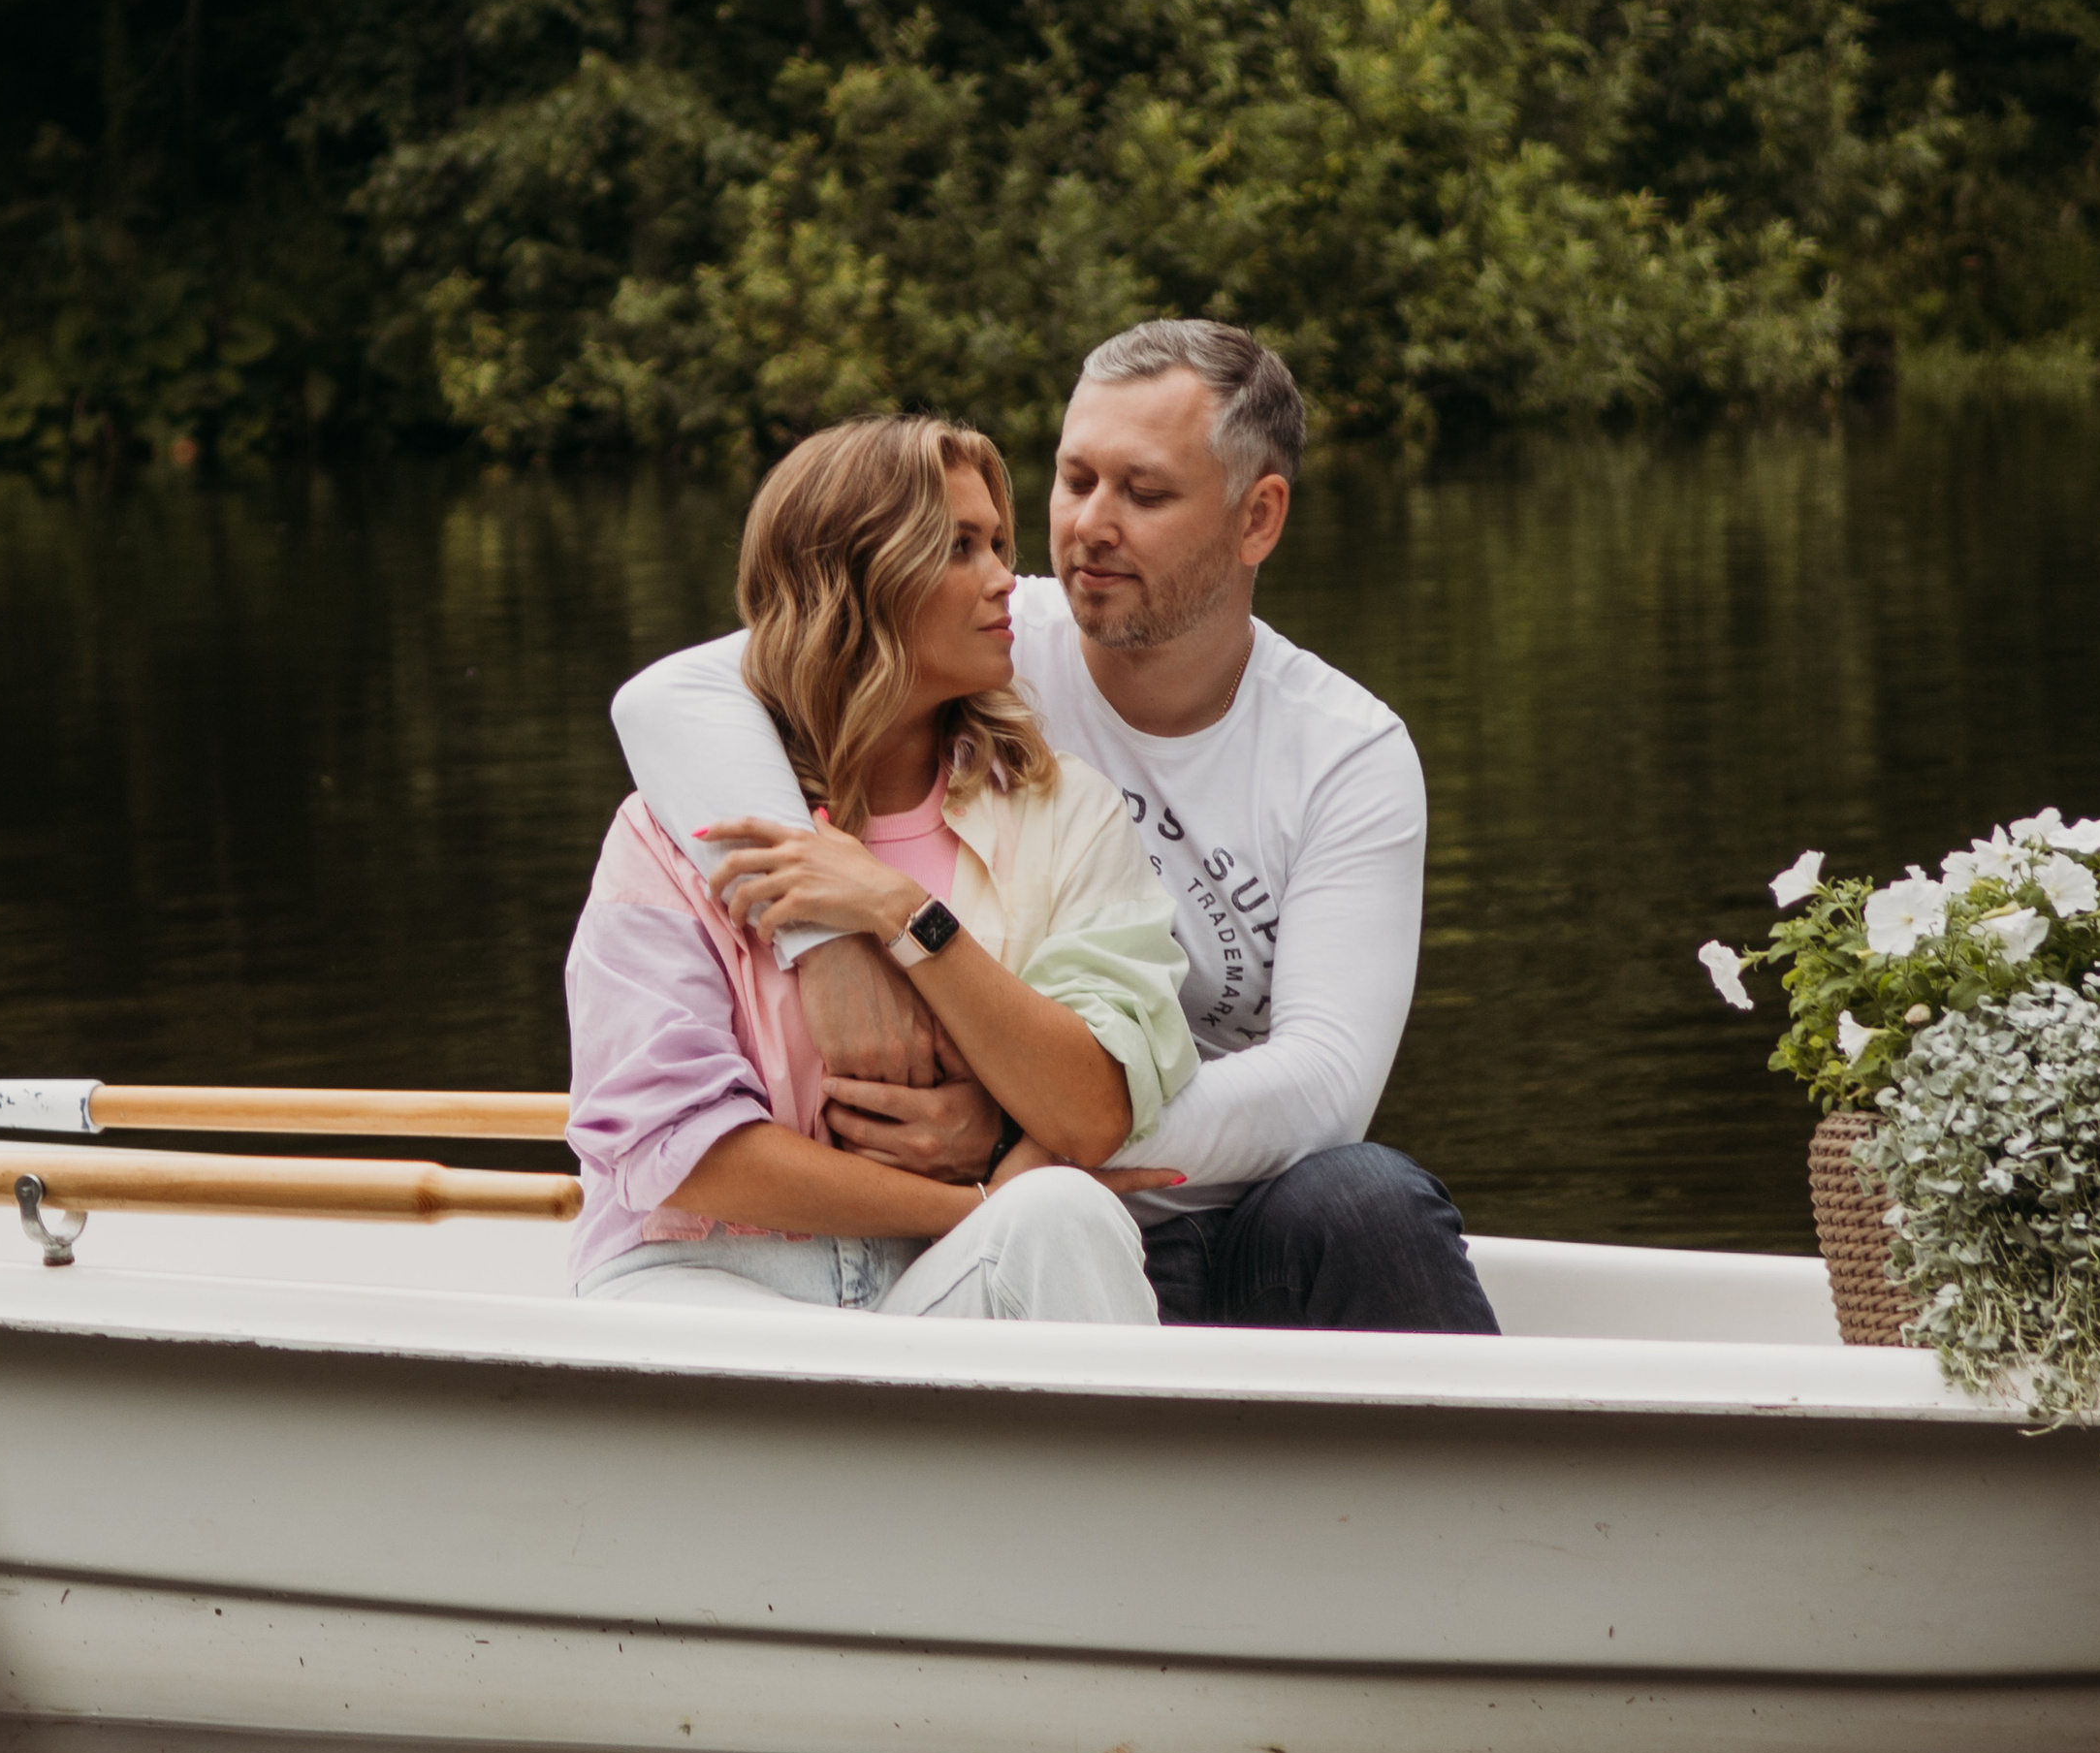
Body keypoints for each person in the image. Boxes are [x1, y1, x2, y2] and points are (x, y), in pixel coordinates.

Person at [614, 320, 1497, 1335]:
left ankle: (1509, 1491)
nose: (1088, 527)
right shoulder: (985, 643)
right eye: (1074, 481)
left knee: (1368, 1200)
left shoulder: (1347, 753)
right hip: (1025, 1234)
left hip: (1221, 1207)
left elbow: (1325, 1086)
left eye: (1145, 492)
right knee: (1054, 1227)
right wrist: (826, 945)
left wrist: (1024, 1137)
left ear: (1258, 519)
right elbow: (670, 696)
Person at [566, 412, 1193, 1324]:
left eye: (999, 545)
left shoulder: (1065, 812)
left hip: (930, 1279)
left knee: (1061, 1215)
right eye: (958, 548)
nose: (1002, 581)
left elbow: (1091, 1110)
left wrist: (905, 914)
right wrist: (971, 1201)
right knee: (1037, 1207)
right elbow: (681, 1148)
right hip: (703, 1281)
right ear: (852, 582)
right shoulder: (673, 831)